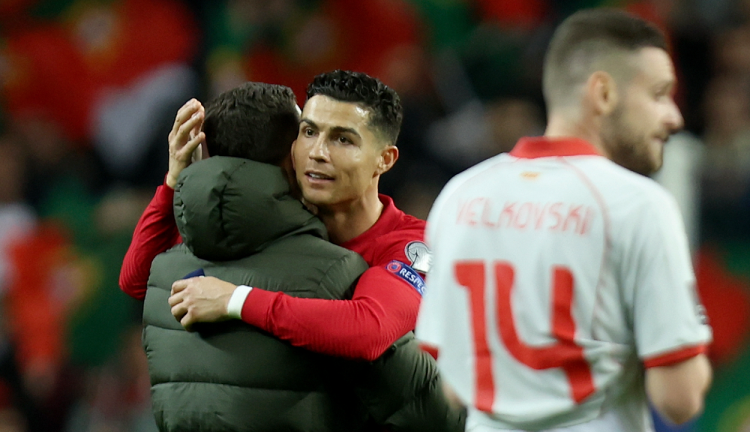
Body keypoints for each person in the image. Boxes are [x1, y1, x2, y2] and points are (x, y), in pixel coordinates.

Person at [415, 8, 712, 432]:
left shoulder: (459, 194)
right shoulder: (637, 204)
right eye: (658, 94)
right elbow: (678, 400)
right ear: (604, 94)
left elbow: (446, 382)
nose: (673, 116)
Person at [121, 72, 464, 431]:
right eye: (309, 132)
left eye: (342, 140)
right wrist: (173, 181)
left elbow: (369, 330)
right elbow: (139, 281)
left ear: (385, 159)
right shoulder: (275, 230)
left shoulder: (412, 246)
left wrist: (237, 301)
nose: (317, 153)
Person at [142, 81, 371, 431]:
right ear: (288, 158)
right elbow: (418, 403)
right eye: (305, 135)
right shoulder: (336, 271)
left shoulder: (162, 273)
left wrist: (175, 178)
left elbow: (131, 278)